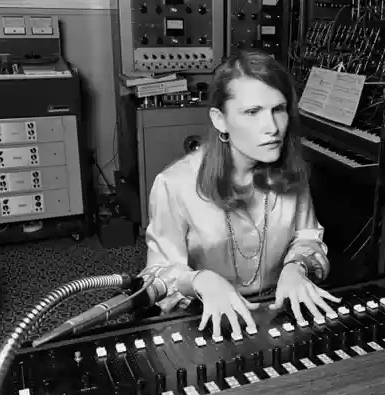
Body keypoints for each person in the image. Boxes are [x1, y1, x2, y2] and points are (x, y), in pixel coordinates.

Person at [139, 50, 341, 340]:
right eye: (252, 112)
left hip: (279, 309)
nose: (272, 128)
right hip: (205, 315)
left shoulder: (292, 173)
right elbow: (156, 276)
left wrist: (298, 267)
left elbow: (308, 237)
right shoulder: (174, 184)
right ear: (220, 120)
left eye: (279, 109)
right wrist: (200, 280)